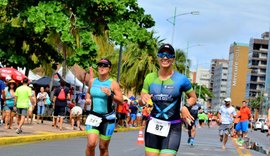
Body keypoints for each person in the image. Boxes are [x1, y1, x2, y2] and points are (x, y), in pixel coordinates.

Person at [139, 44, 197, 156]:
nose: (165, 57)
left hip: (173, 127)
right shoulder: (149, 78)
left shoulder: (181, 79)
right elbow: (141, 101)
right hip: (153, 126)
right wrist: (143, 99)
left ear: (173, 59)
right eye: (162, 54)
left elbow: (193, 97)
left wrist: (186, 107)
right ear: (158, 57)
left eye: (169, 55)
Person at [85, 58, 123, 156]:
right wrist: (88, 99)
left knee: (103, 147)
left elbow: (121, 101)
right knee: (91, 144)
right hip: (93, 116)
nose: (102, 68)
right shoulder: (92, 81)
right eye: (100, 65)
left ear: (109, 69)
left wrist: (111, 94)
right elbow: (88, 92)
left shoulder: (113, 84)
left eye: (105, 66)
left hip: (108, 118)